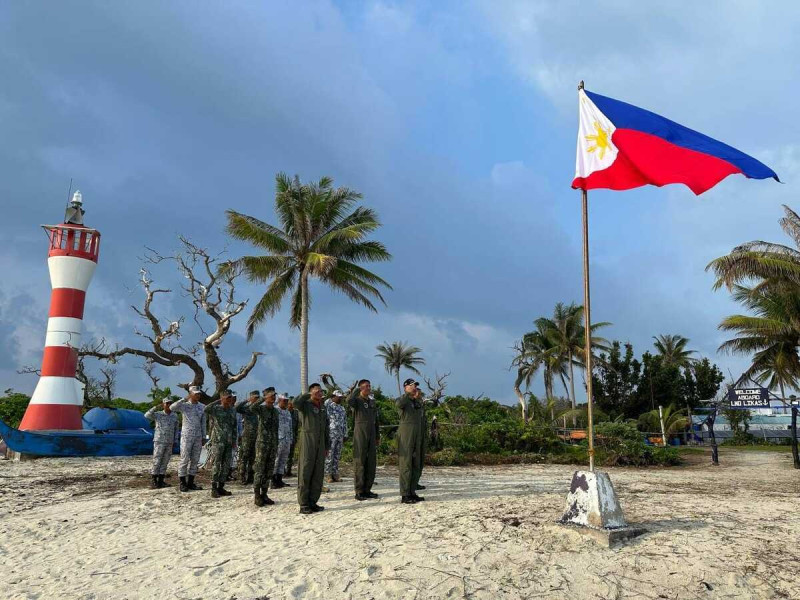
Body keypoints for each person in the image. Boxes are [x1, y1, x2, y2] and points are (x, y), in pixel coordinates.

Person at [238, 388, 279, 506]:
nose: (273, 397)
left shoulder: (275, 412)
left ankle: (264, 494)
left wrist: (276, 443)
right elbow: (252, 407)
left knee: (269, 470)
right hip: (262, 444)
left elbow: (276, 429)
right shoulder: (261, 409)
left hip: (272, 444)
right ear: (265, 397)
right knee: (259, 470)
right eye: (271, 395)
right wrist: (262, 398)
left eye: (274, 395)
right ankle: (257, 495)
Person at [293, 383, 331, 514]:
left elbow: (326, 428)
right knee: (305, 470)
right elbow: (295, 403)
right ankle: (303, 504)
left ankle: (313, 501)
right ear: (311, 392)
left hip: (320, 443)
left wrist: (327, 445)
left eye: (321, 391)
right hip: (308, 439)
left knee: (318, 472)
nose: (320, 393)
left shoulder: (323, 407)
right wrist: (307, 394)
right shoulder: (305, 405)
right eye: (317, 391)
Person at [170, 385, 207, 492]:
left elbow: (203, 422)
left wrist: (204, 436)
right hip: (187, 436)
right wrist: (184, 399)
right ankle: (182, 483)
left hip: (198, 436)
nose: (198, 395)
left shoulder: (202, 406)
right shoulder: (184, 405)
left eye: (199, 393)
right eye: (195, 394)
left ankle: (191, 483)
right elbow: (172, 407)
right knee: (184, 459)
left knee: (195, 460)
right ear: (190, 394)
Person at [348, 379, 380, 501]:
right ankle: (359, 491)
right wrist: (356, 389)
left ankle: (367, 489)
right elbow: (348, 400)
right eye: (366, 386)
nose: (369, 388)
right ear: (361, 388)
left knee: (371, 462)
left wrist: (377, 436)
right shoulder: (357, 401)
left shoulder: (372, 401)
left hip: (371, 433)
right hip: (360, 433)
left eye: (369, 386)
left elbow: (376, 420)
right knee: (360, 462)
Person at [205, 390, 238, 498]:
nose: (230, 399)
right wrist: (219, 400)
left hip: (228, 442)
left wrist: (234, 440)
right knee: (217, 464)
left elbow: (234, 426)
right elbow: (206, 409)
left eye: (230, 397)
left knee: (226, 465)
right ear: (222, 398)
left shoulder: (232, 410)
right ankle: (214, 488)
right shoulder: (216, 409)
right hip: (218, 441)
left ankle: (221, 486)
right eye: (228, 397)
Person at [396, 378, 424, 504]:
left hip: (417, 436)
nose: (415, 388)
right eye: (412, 386)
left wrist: (416, 398)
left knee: (416, 464)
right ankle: (405, 494)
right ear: (406, 387)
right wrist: (408, 394)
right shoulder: (403, 400)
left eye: (416, 386)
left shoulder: (416, 401)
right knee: (406, 464)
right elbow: (399, 404)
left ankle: (412, 492)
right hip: (406, 436)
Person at [144, 397, 179, 489]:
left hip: (169, 442)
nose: (168, 405)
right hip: (159, 441)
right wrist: (155, 407)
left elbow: (176, 429)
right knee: (157, 460)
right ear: (163, 404)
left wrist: (175, 440)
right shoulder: (158, 414)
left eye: (170, 403)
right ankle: (154, 480)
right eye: (166, 403)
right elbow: (146, 415)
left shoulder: (174, 416)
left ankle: (161, 480)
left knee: (165, 461)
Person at [237, 390, 262, 484]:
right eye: (255, 397)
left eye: (258, 398)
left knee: (253, 458)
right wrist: (246, 401)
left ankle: (250, 477)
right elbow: (237, 408)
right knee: (244, 457)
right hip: (247, 436)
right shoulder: (247, 408)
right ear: (251, 397)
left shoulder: (259, 409)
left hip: (257, 437)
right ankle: (242, 477)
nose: (257, 399)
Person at [324, 389, 348, 484]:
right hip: (331, 434)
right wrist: (332, 396)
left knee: (337, 455)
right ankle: (328, 474)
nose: (340, 399)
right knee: (329, 454)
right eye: (338, 397)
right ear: (333, 397)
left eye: (341, 397)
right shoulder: (329, 406)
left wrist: (345, 434)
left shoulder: (342, 408)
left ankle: (335, 473)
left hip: (340, 434)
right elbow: (326, 401)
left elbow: (345, 422)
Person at [272, 394, 293, 489]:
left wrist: (291, 438)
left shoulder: (288, 412)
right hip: (278, 439)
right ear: (279, 400)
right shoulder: (274, 410)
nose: (286, 402)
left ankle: (279, 480)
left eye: (286, 401)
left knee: (283, 460)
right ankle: (273, 481)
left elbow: (290, 426)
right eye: (284, 400)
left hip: (287, 439)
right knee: (276, 460)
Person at [413, 382, 428, 492]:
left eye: (421, 393)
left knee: (420, 461)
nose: (419, 394)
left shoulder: (421, 405)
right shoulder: (412, 404)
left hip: (422, 435)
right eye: (417, 392)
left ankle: (416, 481)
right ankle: (412, 483)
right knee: (414, 461)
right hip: (414, 436)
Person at [285, 396, 299, 477]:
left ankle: (288, 471)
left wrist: (296, 436)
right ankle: (281, 472)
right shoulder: (284, 412)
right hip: (284, 437)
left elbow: (297, 425)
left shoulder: (296, 413)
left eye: (292, 404)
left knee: (290, 455)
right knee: (284, 455)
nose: (291, 405)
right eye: (290, 403)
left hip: (293, 436)